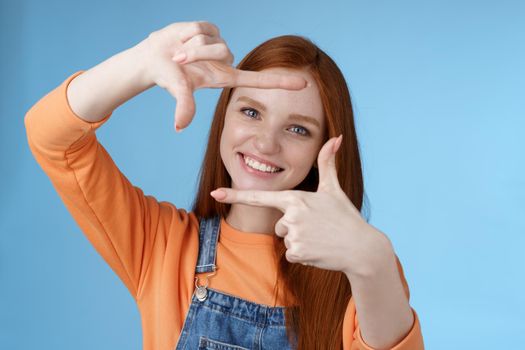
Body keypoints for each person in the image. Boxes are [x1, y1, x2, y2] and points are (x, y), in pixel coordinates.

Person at [25, 21, 424, 349]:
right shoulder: (162, 245)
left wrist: (373, 260)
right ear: (224, 116)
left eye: (298, 129)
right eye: (251, 111)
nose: (266, 143)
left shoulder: (362, 271)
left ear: (326, 148)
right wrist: (142, 63)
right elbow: (50, 135)